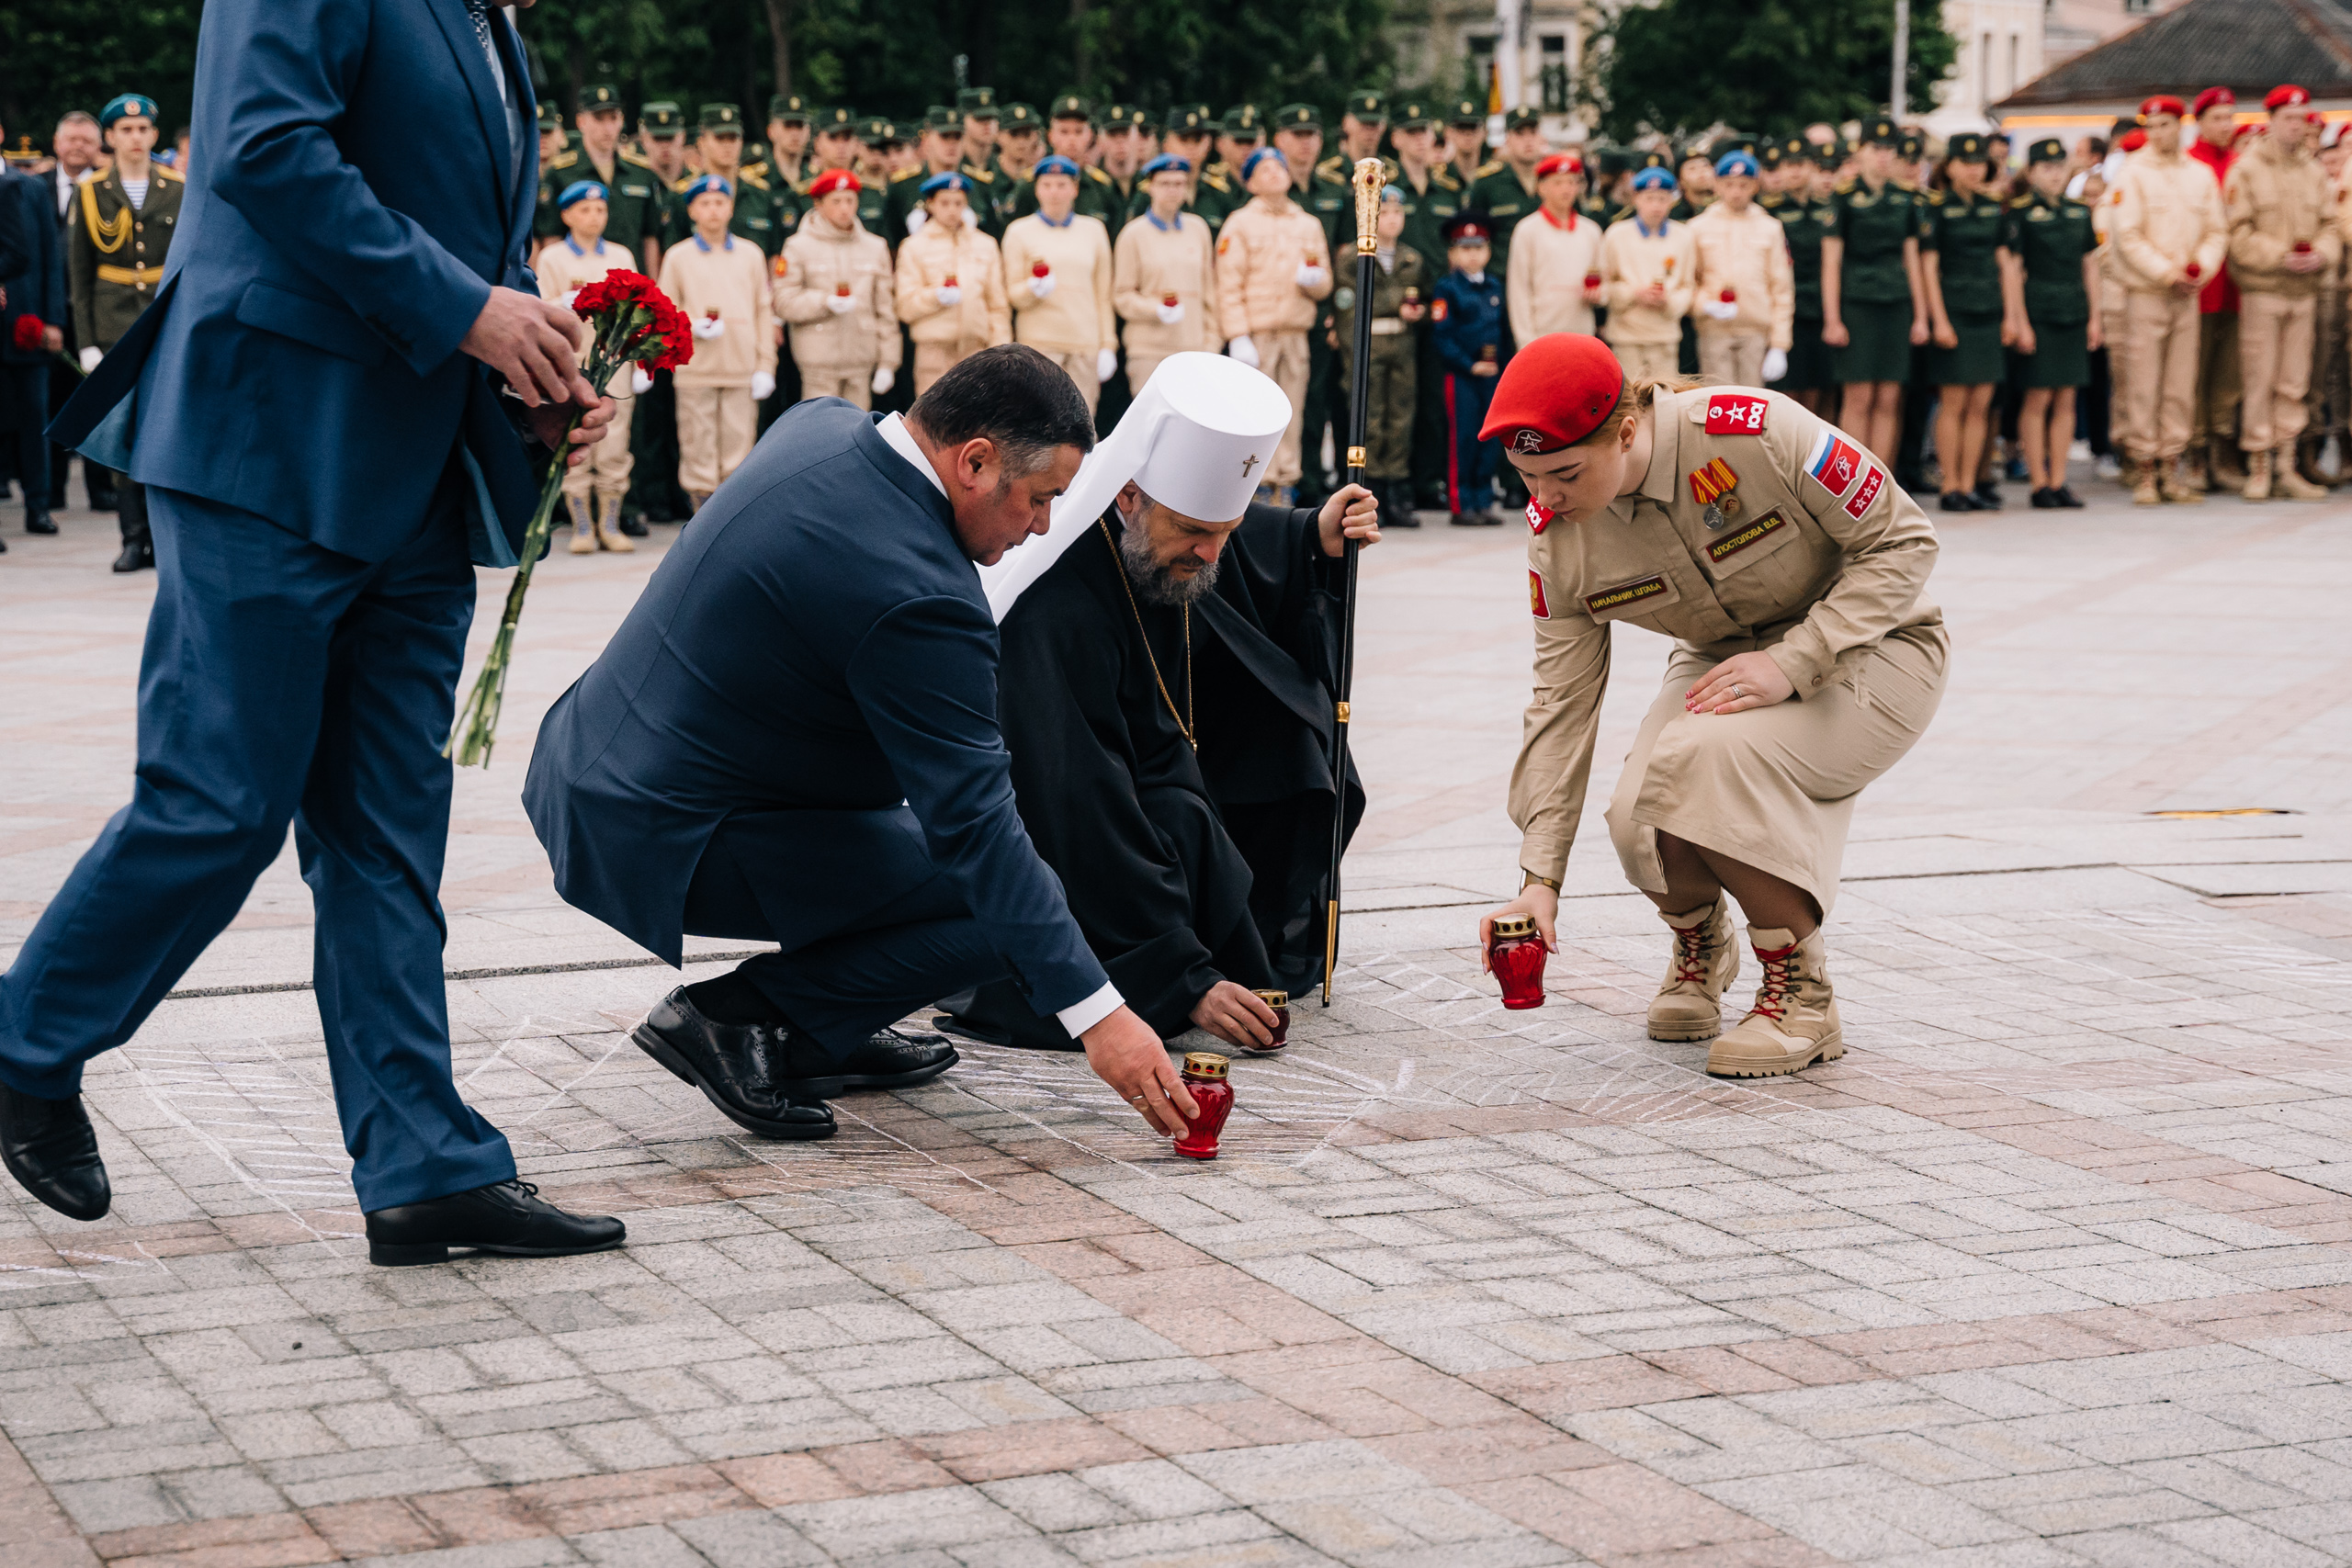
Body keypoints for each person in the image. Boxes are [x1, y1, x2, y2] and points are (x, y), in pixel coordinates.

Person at [20, 0, 624, 1265]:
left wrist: (530, 369)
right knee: (220, 797)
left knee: (386, 832)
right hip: (270, 438)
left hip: (410, 467)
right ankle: (24, 1043)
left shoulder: (482, 19)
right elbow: (265, 150)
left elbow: (453, 222)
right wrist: (473, 310)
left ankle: (422, 1162)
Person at [525, 346, 1206, 1144]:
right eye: (1041, 498)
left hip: (600, 757)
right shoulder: (918, 592)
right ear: (976, 462)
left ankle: (823, 1028)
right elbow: (978, 833)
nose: (1045, 526)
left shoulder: (823, 424)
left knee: (973, 876)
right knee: (1006, 904)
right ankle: (738, 1017)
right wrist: (1103, 1018)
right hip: (666, 829)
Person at [1476, 334, 1946, 1078]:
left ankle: (1803, 996)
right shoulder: (1558, 541)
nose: (1545, 498)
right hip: (1723, 660)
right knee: (1637, 818)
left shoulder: (1756, 431)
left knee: (1700, 759)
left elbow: (1906, 543)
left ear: (1627, 431)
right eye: (1526, 477)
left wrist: (1795, 661)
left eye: (1564, 473)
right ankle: (1702, 944)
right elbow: (1560, 703)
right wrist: (1539, 881)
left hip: (1869, 646)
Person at [944, 354, 1375, 1046]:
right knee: (1163, 806)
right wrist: (1181, 979)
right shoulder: (1054, 609)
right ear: (1127, 497)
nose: (1210, 556)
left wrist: (1308, 534)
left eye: (1223, 534)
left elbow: (1231, 535)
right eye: (1194, 533)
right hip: (1054, 835)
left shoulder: (1164, 537)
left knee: (1290, 738)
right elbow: (1078, 802)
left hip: (1142, 783)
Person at [64, 94, 183, 572]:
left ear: (153, 135)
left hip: (165, 321)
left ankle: (164, 538)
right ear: (109, 138)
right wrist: (87, 341)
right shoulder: (92, 191)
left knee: (167, 432)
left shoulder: (176, 186)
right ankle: (133, 537)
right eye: (125, 131)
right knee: (122, 436)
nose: (135, 139)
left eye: (142, 131)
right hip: (113, 328)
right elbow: (80, 273)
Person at [2110, 96, 2227, 505]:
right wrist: (2165, 272)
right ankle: (2144, 468)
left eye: (2166, 125)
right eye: (2152, 126)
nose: (2158, 133)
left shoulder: (2199, 175)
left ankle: (2172, 468)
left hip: (2187, 293)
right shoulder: (2133, 173)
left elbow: (2217, 231)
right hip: (2148, 292)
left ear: (2181, 125)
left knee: (2180, 382)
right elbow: (2128, 235)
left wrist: (2200, 268)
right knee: (2145, 382)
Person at [2225, 85, 2336, 502]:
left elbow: (2330, 224)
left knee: (2294, 380)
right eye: (2289, 119)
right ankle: (2258, 464)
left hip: (2303, 290)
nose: (2298, 126)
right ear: (2270, 120)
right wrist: (2279, 256)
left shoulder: (2312, 170)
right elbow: (2237, 232)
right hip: (2263, 288)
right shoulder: (2248, 169)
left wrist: (2322, 254)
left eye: (2303, 118)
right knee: (2260, 378)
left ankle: (2286, 464)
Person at [1216, 146, 1334, 503]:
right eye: (1263, 170)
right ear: (1250, 183)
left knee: (1292, 412)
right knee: (1256, 414)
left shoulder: (1307, 223)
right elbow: (1228, 281)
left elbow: (1325, 282)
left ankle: (1287, 481)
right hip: (1259, 334)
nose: (1274, 174)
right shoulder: (1240, 223)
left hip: (1295, 332)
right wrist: (1237, 334)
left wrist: (1314, 281)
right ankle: (1256, 487)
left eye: (1278, 167)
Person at [658, 175, 777, 509]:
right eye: (705, 203)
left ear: (731, 207)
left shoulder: (750, 254)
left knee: (739, 446)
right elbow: (663, 311)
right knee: (698, 444)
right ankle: (701, 515)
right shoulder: (678, 256)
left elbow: (762, 310)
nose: (713, 210)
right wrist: (690, 326)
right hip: (696, 367)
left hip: (740, 366)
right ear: (692, 210)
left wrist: (765, 365)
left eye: (720, 202)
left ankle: (731, 517)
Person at [535, 180, 640, 552]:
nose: (594, 216)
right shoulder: (553, 258)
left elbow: (639, 306)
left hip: (613, 358)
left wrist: (640, 356)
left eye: (600, 209)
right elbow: (538, 305)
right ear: (566, 215)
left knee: (615, 437)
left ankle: (609, 521)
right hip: (571, 359)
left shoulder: (621, 255)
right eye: (584, 210)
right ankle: (582, 524)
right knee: (575, 433)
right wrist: (561, 302)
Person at [1821, 117, 1928, 467]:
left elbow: (1912, 260)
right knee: (1859, 396)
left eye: (1888, 150)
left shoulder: (1904, 197)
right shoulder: (1843, 197)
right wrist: (1833, 318)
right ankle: (1851, 479)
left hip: (1896, 303)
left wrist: (1921, 316)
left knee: (1889, 397)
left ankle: (1881, 482)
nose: (1882, 157)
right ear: (1860, 152)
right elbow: (1831, 262)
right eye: (1875, 149)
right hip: (1857, 304)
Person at [2000, 138, 2101, 509]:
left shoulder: (2078, 211)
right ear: (2031, 172)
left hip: (2073, 311)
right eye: (2046, 168)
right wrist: (2019, 321)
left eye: (2060, 168)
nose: (2055, 175)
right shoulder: (2021, 212)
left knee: (2067, 397)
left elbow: (2090, 266)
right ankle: (2038, 481)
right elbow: (2012, 271)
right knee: (2038, 396)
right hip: (2039, 311)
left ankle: (2059, 479)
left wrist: (2095, 318)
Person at [1919, 133, 2007, 513]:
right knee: (1953, 402)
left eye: (1979, 163)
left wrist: (2012, 317)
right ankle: (1949, 485)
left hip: (1987, 310)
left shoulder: (1993, 207)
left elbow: (2005, 265)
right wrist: (1938, 319)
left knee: (1981, 403)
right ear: (1949, 166)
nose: (1973, 169)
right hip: (1953, 311)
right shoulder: (1936, 208)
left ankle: (1969, 483)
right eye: (1965, 162)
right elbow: (1928, 267)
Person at [1337, 186, 1428, 529]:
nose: (1392, 220)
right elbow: (1347, 309)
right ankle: (1371, 491)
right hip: (1369, 343)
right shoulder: (1354, 258)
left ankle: (1397, 493)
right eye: (1384, 213)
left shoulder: (1411, 258)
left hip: (1401, 342)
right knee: (1370, 418)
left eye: (1397, 213)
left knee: (1401, 417)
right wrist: (1354, 354)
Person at [775, 168, 899, 412]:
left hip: (861, 357)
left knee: (857, 431)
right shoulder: (798, 246)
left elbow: (885, 308)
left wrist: (888, 362)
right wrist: (824, 302)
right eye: (836, 201)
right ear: (818, 204)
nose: (844, 208)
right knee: (820, 432)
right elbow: (783, 300)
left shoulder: (875, 247)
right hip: (818, 360)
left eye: (850, 200)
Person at [1001, 154, 1117, 413]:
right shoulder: (1019, 232)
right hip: (1039, 346)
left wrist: (1108, 345)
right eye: (1047, 185)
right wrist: (1033, 289)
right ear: (1036, 189)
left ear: (1075, 189)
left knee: (1082, 426)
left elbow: (1103, 294)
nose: (1054, 192)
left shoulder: (1094, 230)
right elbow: (1012, 294)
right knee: (1039, 426)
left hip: (1084, 345)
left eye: (1062, 185)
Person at [0, 123, 64, 540]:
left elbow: (49, 256)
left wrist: (54, 319)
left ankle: (38, 505)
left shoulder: (27, 187)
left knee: (34, 416)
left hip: (26, 320)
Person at [1113, 154, 1221, 392]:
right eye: (1165, 184)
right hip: (1149, 350)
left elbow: (1210, 293)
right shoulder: (1134, 234)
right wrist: (1155, 309)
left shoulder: (1198, 229)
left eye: (1179, 184)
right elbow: (1122, 296)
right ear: (1150, 187)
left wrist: (1212, 343)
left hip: (1194, 348)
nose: (1173, 191)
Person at [895, 172, 1012, 393]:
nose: (952, 210)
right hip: (934, 352)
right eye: (944, 203)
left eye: (958, 203)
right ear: (931, 204)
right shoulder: (914, 246)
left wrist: (1000, 351)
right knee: (934, 424)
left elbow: (997, 305)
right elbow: (905, 307)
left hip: (976, 351)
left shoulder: (984, 244)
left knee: (977, 423)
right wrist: (935, 296)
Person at [1688, 149, 1793, 390]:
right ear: (1717, 185)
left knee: (1752, 406)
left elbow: (1781, 288)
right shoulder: (1699, 227)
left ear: (1755, 186)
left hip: (1755, 330)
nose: (1736, 192)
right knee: (1718, 404)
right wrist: (1704, 304)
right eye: (1729, 184)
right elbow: (1688, 281)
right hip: (1714, 328)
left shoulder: (1770, 227)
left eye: (1744, 185)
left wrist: (1779, 344)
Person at [2186, 86, 2245, 491]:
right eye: (2218, 118)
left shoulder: (2242, 165)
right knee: (2192, 376)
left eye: (2230, 117)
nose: (2226, 126)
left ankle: (2222, 453)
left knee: (2228, 378)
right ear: (2201, 123)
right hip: (2199, 287)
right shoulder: (2188, 166)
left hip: (2237, 287)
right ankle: (2194, 453)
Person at [1432, 213, 1507, 525]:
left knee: (1489, 438)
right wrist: (1468, 364)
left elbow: (1501, 330)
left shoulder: (1493, 285)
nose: (1472, 254)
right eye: (1465, 248)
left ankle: (1483, 499)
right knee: (1463, 438)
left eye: (1479, 247)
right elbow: (1442, 335)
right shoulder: (1447, 288)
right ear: (1453, 253)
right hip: (1461, 375)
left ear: (1488, 251)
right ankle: (1461, 503)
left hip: (1491, 375)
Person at [1600, 165, 1693, 379]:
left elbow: (1687, 285)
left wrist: (1669, 301)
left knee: (1664, 399)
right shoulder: (1616, 234)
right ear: (1636, 199)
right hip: (1626, 335)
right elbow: (1605, 285)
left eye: (1662, 199)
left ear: (1672, 200)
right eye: (1649, 198)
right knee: (1629, 399)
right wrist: (1634, 293)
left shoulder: (1684, 236)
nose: (1656, 206)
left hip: (1665, 336)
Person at [1506, 153, 1606, 347]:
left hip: (1583, 335)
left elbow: (1605, 280)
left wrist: (1598, 294)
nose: (1566, 189)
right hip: (1542, 336)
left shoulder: (1591, 230)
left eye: (1571, 182)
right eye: (1558, 183)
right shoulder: (1528, 230)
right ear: (1541, 187)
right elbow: (1518, 291)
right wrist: (1525, 341)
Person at [1772, 147, 1841, 413]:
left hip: (1820, 307)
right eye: (1789, 164)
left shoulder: (1827, 209)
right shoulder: (1770, 208)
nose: (1796, 171)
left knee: (1818, 386)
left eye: (1801, 164)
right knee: (1787, 388)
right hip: (1787, 308)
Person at [1471, 107, 1551, 279]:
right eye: (1520, 133)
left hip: (1548, 277)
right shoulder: (1488, 184)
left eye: (1533, 132)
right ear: (1508, 139)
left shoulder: (1555, 181)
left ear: (1542, 137)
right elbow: (1475, 236)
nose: (1528, 140)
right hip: (1502, 278)